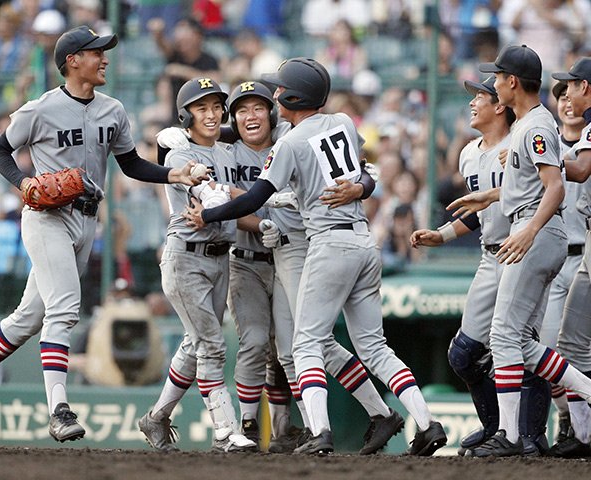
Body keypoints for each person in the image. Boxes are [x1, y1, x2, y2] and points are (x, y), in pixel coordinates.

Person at [184, 57, 447, 456]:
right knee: (373, 347)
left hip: (324, 244)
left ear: (291, 96)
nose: (272, 97)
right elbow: (362, 170)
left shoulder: (289, 142)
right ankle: (424, 423)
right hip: (363, 240)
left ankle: (319, 432)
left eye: (277, 91)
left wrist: (209, 213)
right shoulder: (342, 120)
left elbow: (255, 197)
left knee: (305, 344)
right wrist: (361, 186)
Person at [0, 25, 203, 442]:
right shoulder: (40, 109)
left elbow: (133, 165)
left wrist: (174, 173)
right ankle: (59, 410)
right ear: (72, 61)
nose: (105, 58)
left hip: (88, 221)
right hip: (47, 217)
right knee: (64, 310)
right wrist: (24, 183)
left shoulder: (113, 109)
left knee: (27, 318)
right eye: (96, 52)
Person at [447, 44, 591, 457]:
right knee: (521, 342)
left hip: (536, 234)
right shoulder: (529, 124)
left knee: (503, 334)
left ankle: (509, 435)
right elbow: (527, 185)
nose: (492, 84)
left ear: (512, 82)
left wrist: (529, 229)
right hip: (533, 228)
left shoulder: (535, 126)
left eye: (496, 77)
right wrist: (490, 197)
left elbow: (555, 187)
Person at [411, 75, 556, 456]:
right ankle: (496, 427)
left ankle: (529, 434)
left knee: (521, 346)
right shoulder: (469, 152)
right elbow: (480, 210)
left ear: (500, 105)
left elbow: (545, 189)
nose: (472, 103)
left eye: (480, 96)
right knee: (463, 354)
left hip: (522, 250)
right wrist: (441, 235)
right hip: (489, 255)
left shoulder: (520, 143)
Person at [138, 77, 257, 453]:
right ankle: (225, 431)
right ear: (186, 115)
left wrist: (267, 206)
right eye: (200, 108)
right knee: (211, 346)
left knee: (195, 344)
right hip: (186, 257)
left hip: (221, 256)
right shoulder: (177, 153)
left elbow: (233, 187)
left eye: (215, 106)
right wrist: (165, 143)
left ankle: (156, 417)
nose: (210, 113)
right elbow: (207, 194)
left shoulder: (224, 150)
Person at [539, 80, 587, 451]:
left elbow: (580, 170)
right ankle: (568, 420)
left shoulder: (585, 141)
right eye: (560, 97)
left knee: (577, 348)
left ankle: (580, 430)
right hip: (556, 261)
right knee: (550, 350)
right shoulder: (544, 140)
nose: (566, 103)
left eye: (569, 95)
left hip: (585, 253)